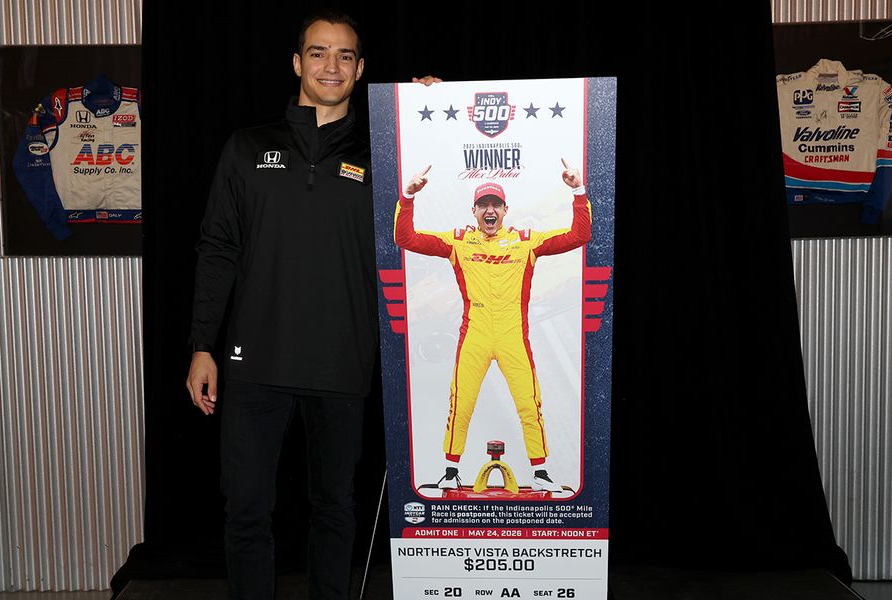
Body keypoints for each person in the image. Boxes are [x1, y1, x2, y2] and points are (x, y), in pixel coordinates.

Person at [185, 10, 437, 600]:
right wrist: (202, 345)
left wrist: (432, 116)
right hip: (255, 362)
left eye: (345, 55)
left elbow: (441, 199)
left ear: (361, 69)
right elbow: (217, 249)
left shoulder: (385, 157)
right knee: (247, 510)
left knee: (334, 508)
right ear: (297, 62)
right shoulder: (247, 147)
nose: (331, 65)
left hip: (341, 361)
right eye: (319, 53)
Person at [394, 162, 590, 492]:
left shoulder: (526, 241)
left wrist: (578, 191)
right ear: (473, 211)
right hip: (475, 336)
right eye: (483, 204)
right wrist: (408, 197)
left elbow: (579, 236)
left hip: (513, 337)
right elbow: (405, 238)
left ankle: (541, 473)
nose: (489, 210)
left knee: (529, 404)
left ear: (505, 210)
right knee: (461, 403)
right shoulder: (458, 242)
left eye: (495, 204)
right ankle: (450, 470)